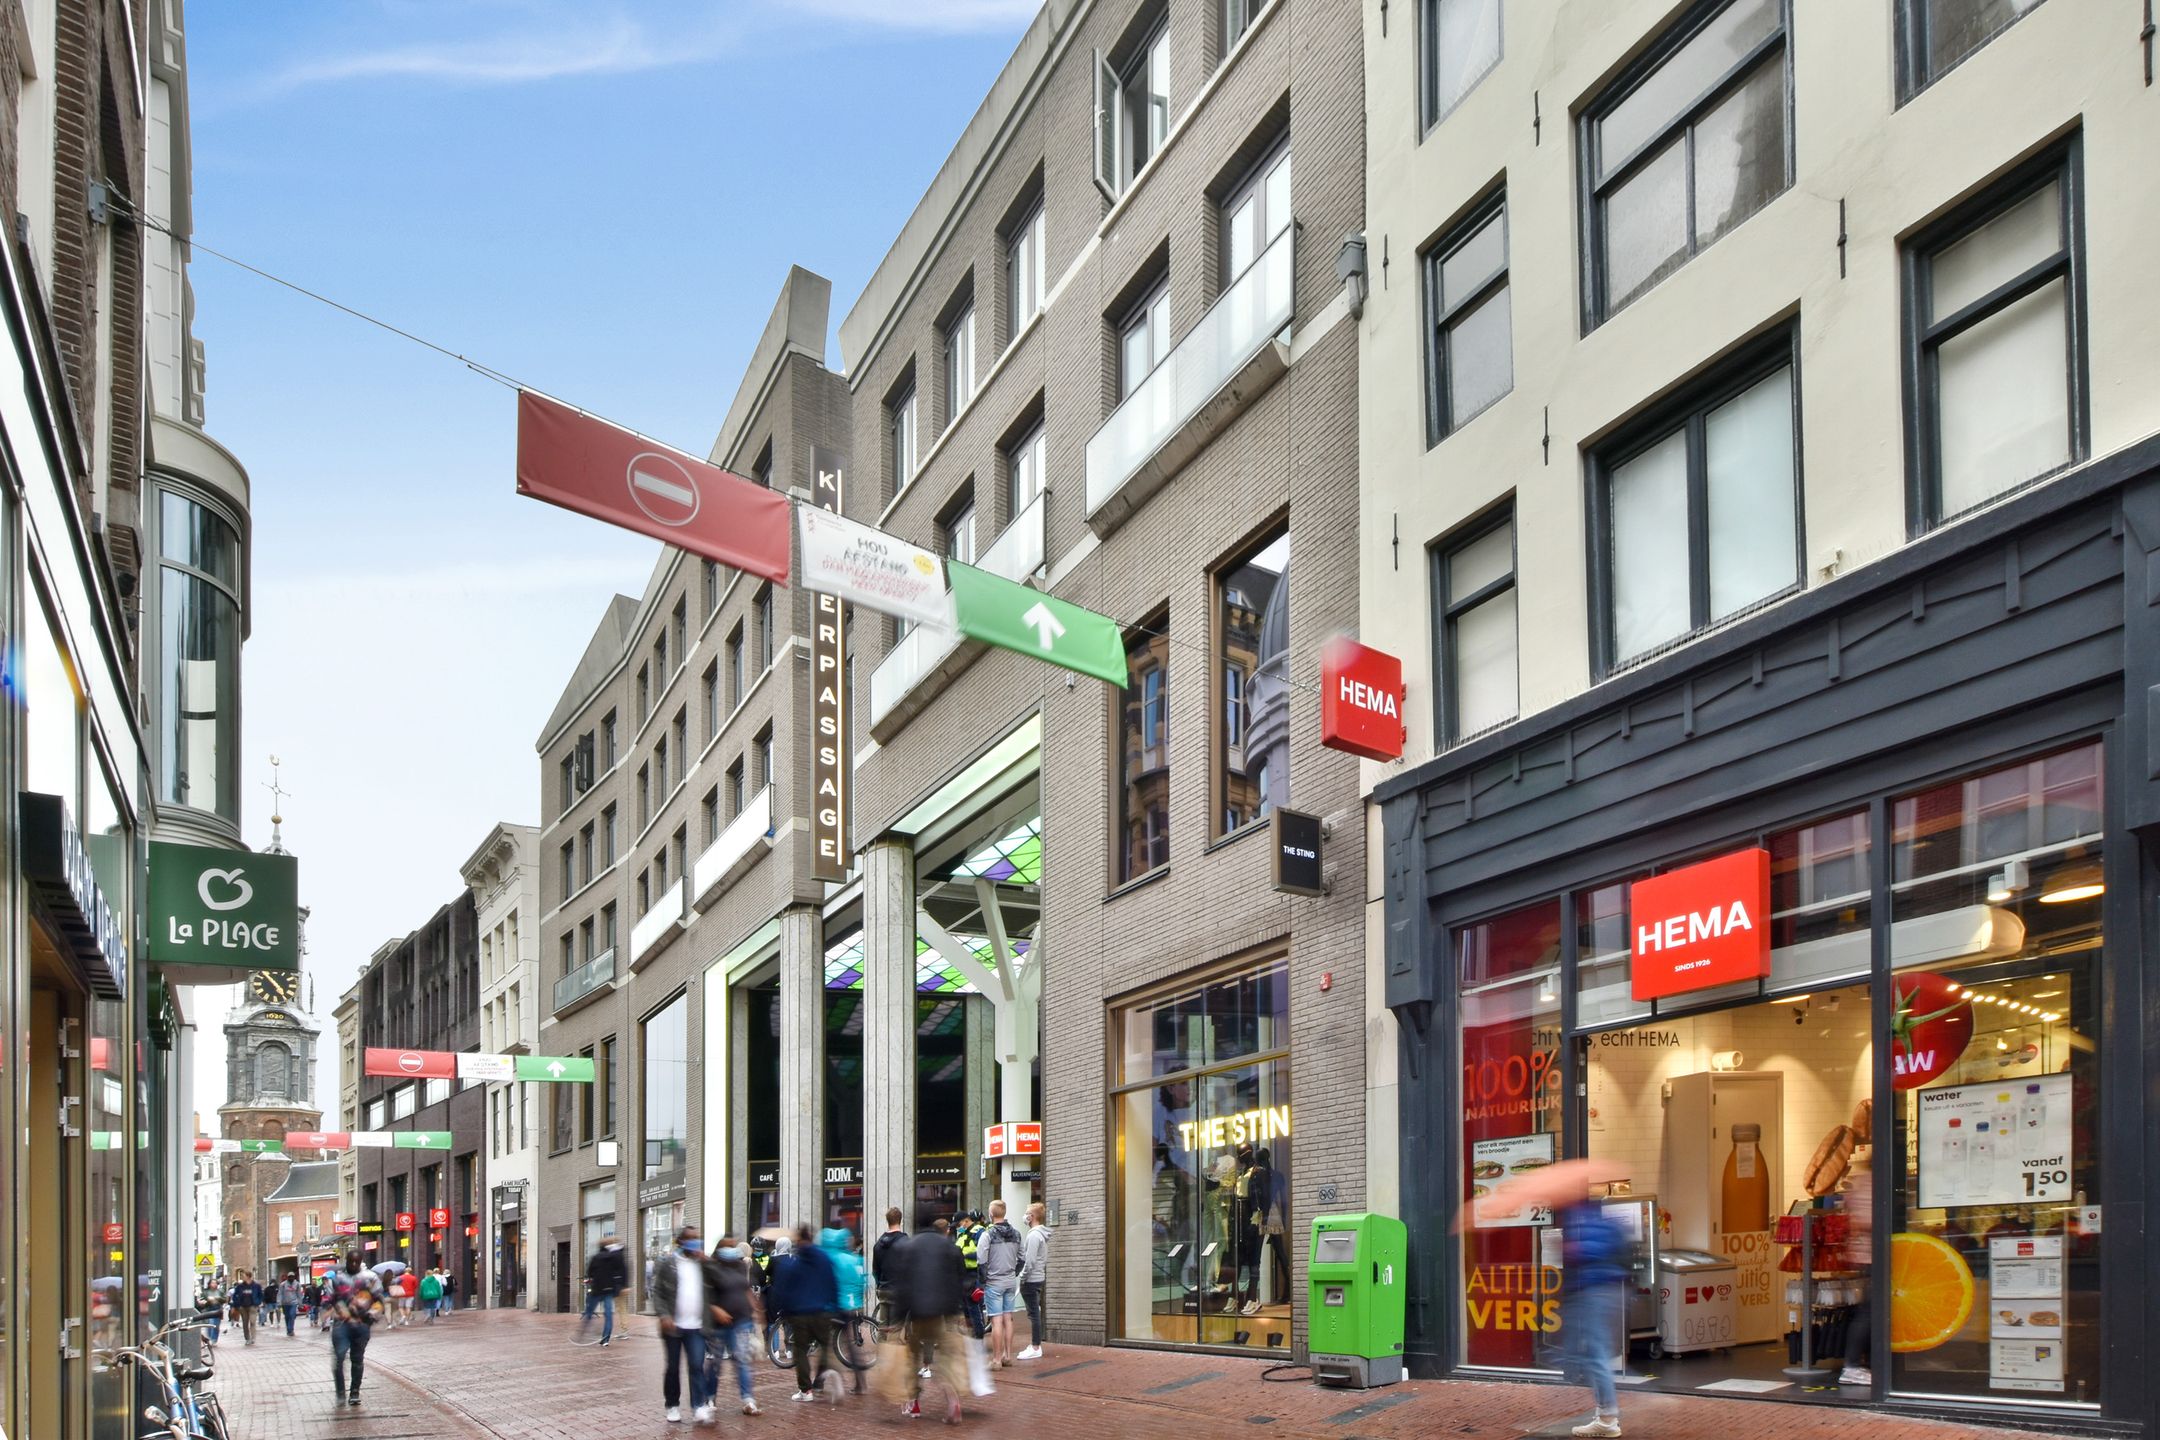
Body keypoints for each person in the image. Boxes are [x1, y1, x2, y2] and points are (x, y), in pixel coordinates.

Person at [1557, 1197, 1629, 1439]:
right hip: (1604, 1291)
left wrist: (1572, 1248)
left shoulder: (1581, 1221)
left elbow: (1588, 1251)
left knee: (1595, 1354)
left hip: (1591, 1292)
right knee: (1593, 1352)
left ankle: (1608, 1418)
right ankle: (1606, 1414)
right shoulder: (1603, 1221)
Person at [892, 1216, 969, 1422]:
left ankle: (914, 1403)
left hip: (918, 1314)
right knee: (946, 1359)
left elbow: (903, 1285)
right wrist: (959, 1309)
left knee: (912, 1358)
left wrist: (897, 1318)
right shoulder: (949, 1246)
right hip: (945, 1312)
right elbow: (961, 1277)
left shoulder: (909, 1247)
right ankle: (952, 1399)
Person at [650, 1225, 721, 1425]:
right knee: (673, 1367)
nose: (695, 1242)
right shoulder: (668, 1263)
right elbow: (658, 1293)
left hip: (697, 1326)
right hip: (673, 1326)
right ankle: (672, 1404)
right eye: (690, 1238)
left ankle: (698, 1405)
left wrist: (707, 1263)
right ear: (680, 1242)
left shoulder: (702, 1263)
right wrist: (664, 1315)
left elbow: (717, 1282)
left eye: (698, 1238)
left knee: (696, 1366)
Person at [769, 1221, 842, 1404]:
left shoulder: (793, 1262)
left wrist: (783, 1309)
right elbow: (832, 1282)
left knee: (801, 1350)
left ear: (799, 1240)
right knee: (825, 1346)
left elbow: (784, 1289)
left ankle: (805, 1389)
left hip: (799, 1314)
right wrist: (835, 1306)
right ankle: (820, 1381)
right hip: (822, 1312)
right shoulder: (824, 1258)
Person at [710, 1235, 763, 1416]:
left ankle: (748, 1399)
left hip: (741, 1320)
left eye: (733, 1245)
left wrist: (755, 1308)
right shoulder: (712, 1268)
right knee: (715, 1363)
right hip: (719, 1324)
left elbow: (745, 1288)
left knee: (742, 1360)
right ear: (719, 1249)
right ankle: (710, 1397)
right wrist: (715, 1309)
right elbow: (706, 1296)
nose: (732, 1249)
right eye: (728, 1246)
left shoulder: (740, 1265)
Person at [327, 1255, 386, 1408]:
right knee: (339, 1357)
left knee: (357, 1358)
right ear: (346, 1261)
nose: (353, 1264)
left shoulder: (370, 1278)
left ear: (360, 1262)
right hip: (342, 1324)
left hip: (361, 1325)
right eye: (351, 1261)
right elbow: (331, 1299)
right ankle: (340, 1393)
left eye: (357, 1262)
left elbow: (379, 1300)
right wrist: (340, 1311)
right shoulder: (338, 1278)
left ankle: (354, 1392)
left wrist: (371, 1316)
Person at [1839, 1151, 1876, 1389]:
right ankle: (1851, 1366)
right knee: (1868, 1312)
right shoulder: (1871, 1184)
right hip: (1870, 1255)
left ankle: (1864, 1362)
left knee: (1870, 1311)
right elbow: (1868, 1221)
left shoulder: (1861, 1182)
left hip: (1866, 1254)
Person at [979, 1201, 1025, 1368]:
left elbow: (981, 1262)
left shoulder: (988, 1235)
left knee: (996, 1320)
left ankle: (996, 1360)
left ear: (991, 1215)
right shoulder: (1017, 1234)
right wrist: (1014, 1273)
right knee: (1008, 1319)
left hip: (994, 1282)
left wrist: (985, 1281)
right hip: (1010, 1281)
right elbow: (1022, 1258)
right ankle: (1007, 1356)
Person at [582, 1233, 629, 1346]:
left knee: (589, 1312)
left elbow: (589, 1273)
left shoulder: (596, 1257)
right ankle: (606, 1339)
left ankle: (582, 1334)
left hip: (597, 1290)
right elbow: (620, 1270)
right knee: (608, 1315)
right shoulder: (614, 1256)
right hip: (609, 1290)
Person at [1018, 1203, 1049, 1360]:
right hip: (1038, 1277)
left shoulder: (1034, 1236)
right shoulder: (1040, 1234)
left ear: (1033, 1216)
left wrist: (1022, 1277)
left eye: (1027, 1213)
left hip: (1031, 1280)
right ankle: (1035, 1345)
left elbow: (1029, 1262)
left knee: (1033, 1313)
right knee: (1035, 1312)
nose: (1025, 1216)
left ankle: (1036, 1346)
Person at [871, 1207, 907, 1314]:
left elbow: (875, 1272)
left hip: (883, 1290)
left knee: (883, 1326)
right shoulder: (905, 1242)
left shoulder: (878, 1244)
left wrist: (879, 1285)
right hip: (899, 1291)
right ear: (901, 1220)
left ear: (887, 1221)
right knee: (898, 1326)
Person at [956, 1213, 986, 1339]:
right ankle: (973, 1332)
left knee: (974, 1305)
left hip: (975, 1273)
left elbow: (983, 1252)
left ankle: (978, 1335)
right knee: (967, 1306)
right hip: (964, 1274)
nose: (958, 1227)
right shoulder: (963, 1234)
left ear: (966, 1221)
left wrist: (965, 1256)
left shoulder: (979, 1232)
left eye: (959, 1224)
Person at [228, 1271, 261, 1345]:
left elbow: (260, 1295)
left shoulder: (256, 1286)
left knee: (252, 1322)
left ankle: (253, 1338)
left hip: (253, 1306)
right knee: (245, 1323)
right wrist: (237, 1305)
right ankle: (247, 1338)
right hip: (243, 1307)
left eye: (244, 1276)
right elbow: (235, 1295)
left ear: (248, 1276)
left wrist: (258, 1302)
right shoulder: (240, 1286)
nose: (243, 1277)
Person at [276, 1272, 301, 1337]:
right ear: (288, 1277)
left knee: (292, 1315)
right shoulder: (283, 1284)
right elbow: (280, 1294)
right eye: (289, 1277)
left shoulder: (297, 1284)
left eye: (292, 1276)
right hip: (285, 1303)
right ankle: (288, 1330)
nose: (291, 1278)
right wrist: (279, 1302)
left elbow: (299, 1294)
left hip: (293, 1303)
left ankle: (291, 1329)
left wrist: (300, 1303)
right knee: (287, 1317)